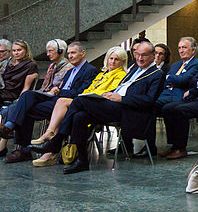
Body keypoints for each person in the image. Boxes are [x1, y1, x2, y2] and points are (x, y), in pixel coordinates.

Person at [32, 41, 166, 174]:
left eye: (144, 55)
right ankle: (82, 161)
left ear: (153, 55)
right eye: (137, 54)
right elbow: (123, 87)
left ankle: (57, 141)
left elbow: (149, 100)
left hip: (128, 111)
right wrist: (110, 93)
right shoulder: (135, 69)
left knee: (79, 100)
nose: (140, 58)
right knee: (80, 117)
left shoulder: (157, 74)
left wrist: (122, 98)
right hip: (114, 104)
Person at [1, 42, 99, 164]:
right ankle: (18, 139)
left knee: (25, 108)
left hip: (68, 104)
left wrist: (60, 91)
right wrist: (55, 91)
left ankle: (17, 139)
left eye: (73, 53)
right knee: (27, 97)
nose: (70, 56)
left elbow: (81, 92)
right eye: (68, 53)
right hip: (56, 99)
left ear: (83, 53)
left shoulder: (90, 70)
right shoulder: (70, 71)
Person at [28, 47, 128, 166]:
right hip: (86, 100)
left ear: (122, 61)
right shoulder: (102, 73)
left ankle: (52, 137)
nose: (112, 62)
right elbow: (89, 89)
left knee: (63, 102)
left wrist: (85, 95)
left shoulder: (121, 75)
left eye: (116, 59)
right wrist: (84, 95)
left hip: (100, 104)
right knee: (75, 114)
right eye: (111, 58)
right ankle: (63, 148)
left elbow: (109, 92)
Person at [156, 37, 198, 109]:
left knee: (152, 103)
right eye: (179, 48)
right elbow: (164, 82)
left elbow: (184, 80)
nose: (181, 51)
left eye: (184, 48)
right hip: (165, 93)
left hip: (178, 96)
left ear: (193, 50)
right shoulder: (175, 65)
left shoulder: (197, 63)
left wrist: (167, 77)